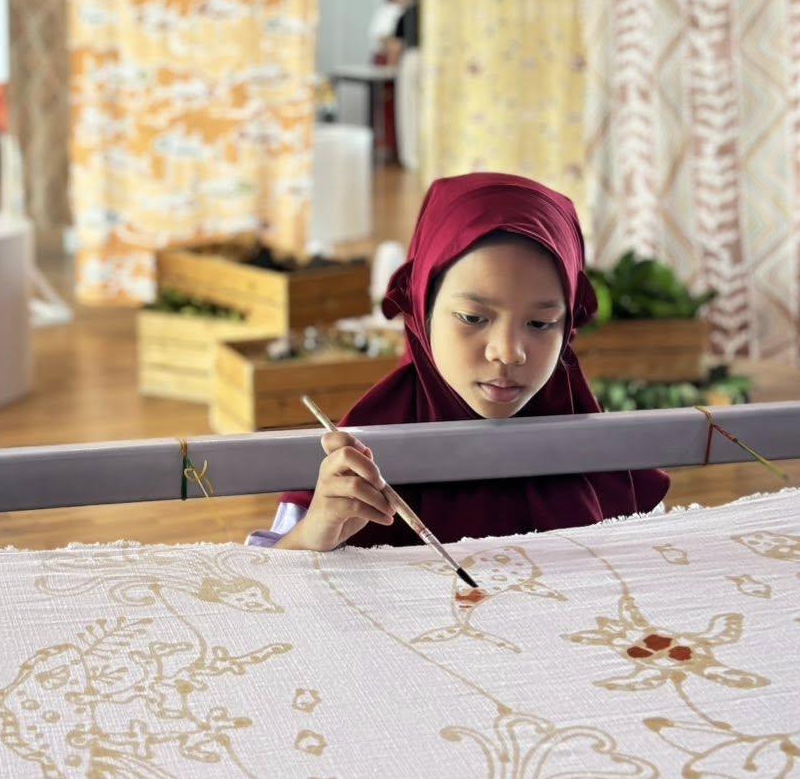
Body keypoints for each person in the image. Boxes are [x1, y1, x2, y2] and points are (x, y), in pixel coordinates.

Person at [252, 173, 669, 551]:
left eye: (541, 323)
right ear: (422, 307)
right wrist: (314, 533)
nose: (508, 352)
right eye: (472, 318)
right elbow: (266, 589)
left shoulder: (609, 466)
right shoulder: (353, 465)